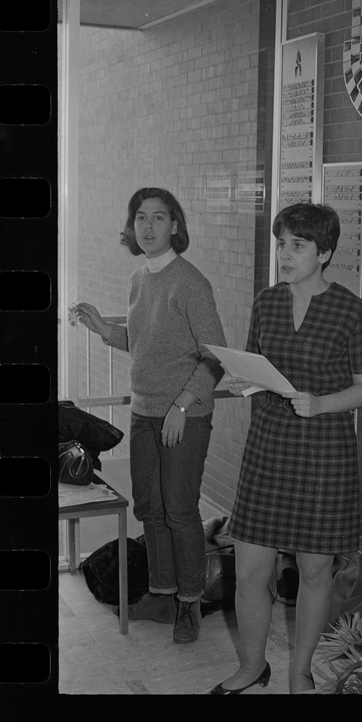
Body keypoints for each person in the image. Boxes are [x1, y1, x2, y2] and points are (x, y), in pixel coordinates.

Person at [210, 203, 362, 694]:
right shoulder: (267, 302)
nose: (285, 254)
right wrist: (242, 380)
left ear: (324, 251)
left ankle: (300, 672)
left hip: (324, 453)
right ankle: (251, 666)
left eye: (298, 245)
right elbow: (252, 363)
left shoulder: (353, 311)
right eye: (281, 243)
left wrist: (322, 402)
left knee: (313, 570)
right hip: (268, 447)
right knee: (249, 572)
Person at [73, 187, 226, 645]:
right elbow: (146, 344)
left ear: (175, 226)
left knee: (180, 512)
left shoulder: (190, 283)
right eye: (140, 217)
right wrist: (105, 330)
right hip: (144, 414)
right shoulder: (140, 278)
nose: (148, 226)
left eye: (159, 218)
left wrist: (182, 406)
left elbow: (214, 358)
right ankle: (161, 594)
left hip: (185, 416)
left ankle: (190, 605)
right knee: (150, 510)